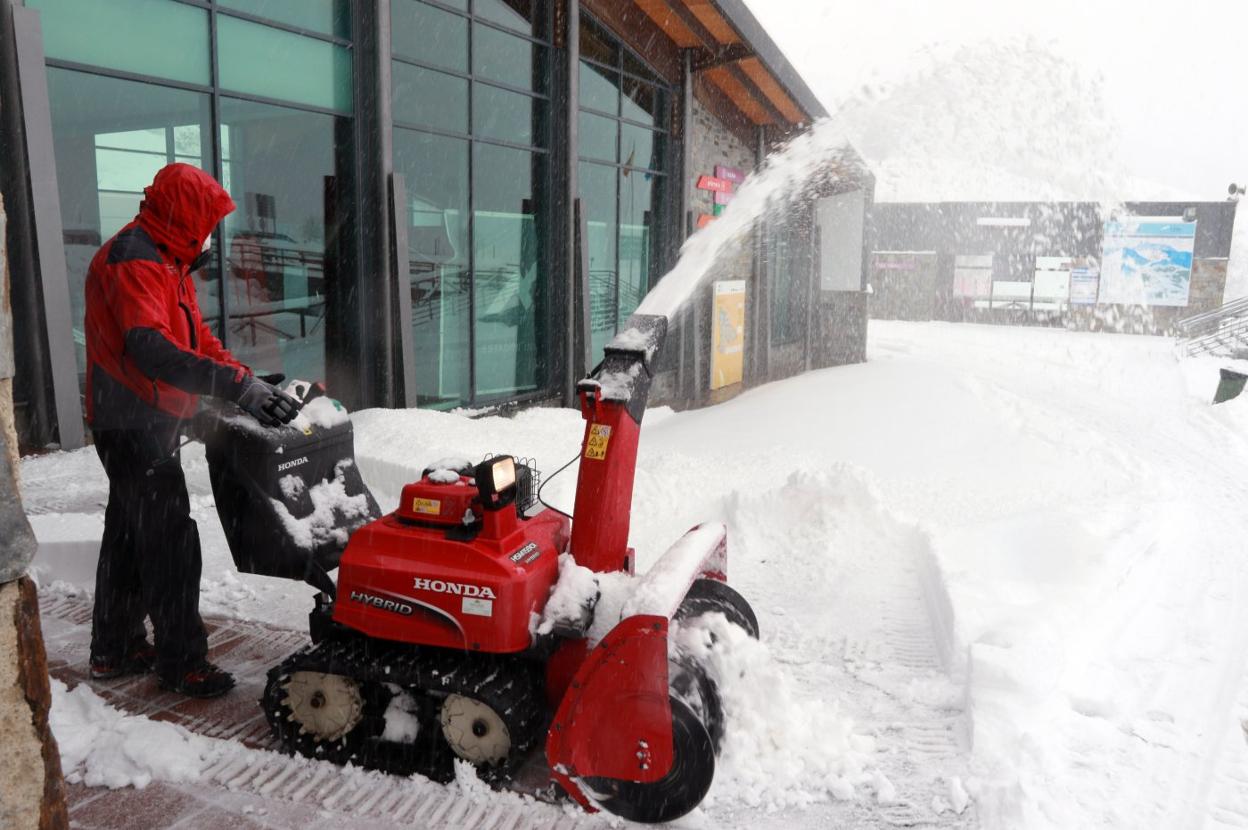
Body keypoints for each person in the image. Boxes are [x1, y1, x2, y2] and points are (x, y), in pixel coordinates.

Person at [83, 163, 301, 698]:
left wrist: (243, 379)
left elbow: (196, 337)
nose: (209, 236)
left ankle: (114, 648)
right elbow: (150, 348)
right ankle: (183, 662)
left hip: (145, 416)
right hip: (132, 420)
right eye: (205, 223)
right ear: (184, 217)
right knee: (170, 542)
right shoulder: (135, 261)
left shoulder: (165, 258)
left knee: (131, 537)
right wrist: (234, 387)